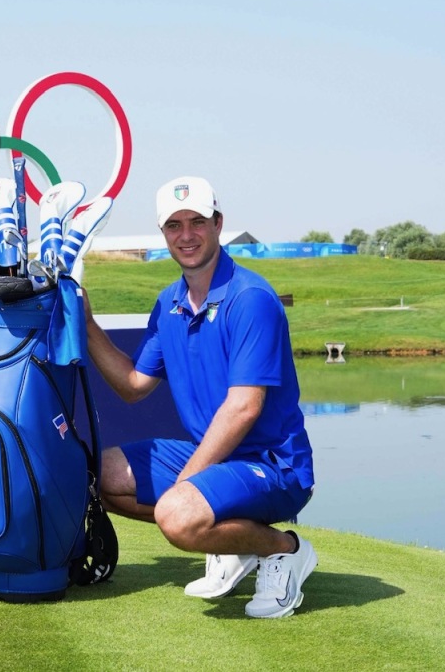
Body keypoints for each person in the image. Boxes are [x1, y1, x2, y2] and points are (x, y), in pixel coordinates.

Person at [83, 176, 317, 619]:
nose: (186, 235)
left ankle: (284, 549)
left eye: (197, 222)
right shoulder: (169, 301)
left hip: (274, 465)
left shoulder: (251, 299)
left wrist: (187, 482)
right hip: (216, 457)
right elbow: (134, 386)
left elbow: (244, 407)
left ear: (218, 224)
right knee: (100, 475)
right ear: (163, 233)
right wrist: (87, 325)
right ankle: (234, 546)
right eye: (174, 225)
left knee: (177, 513)